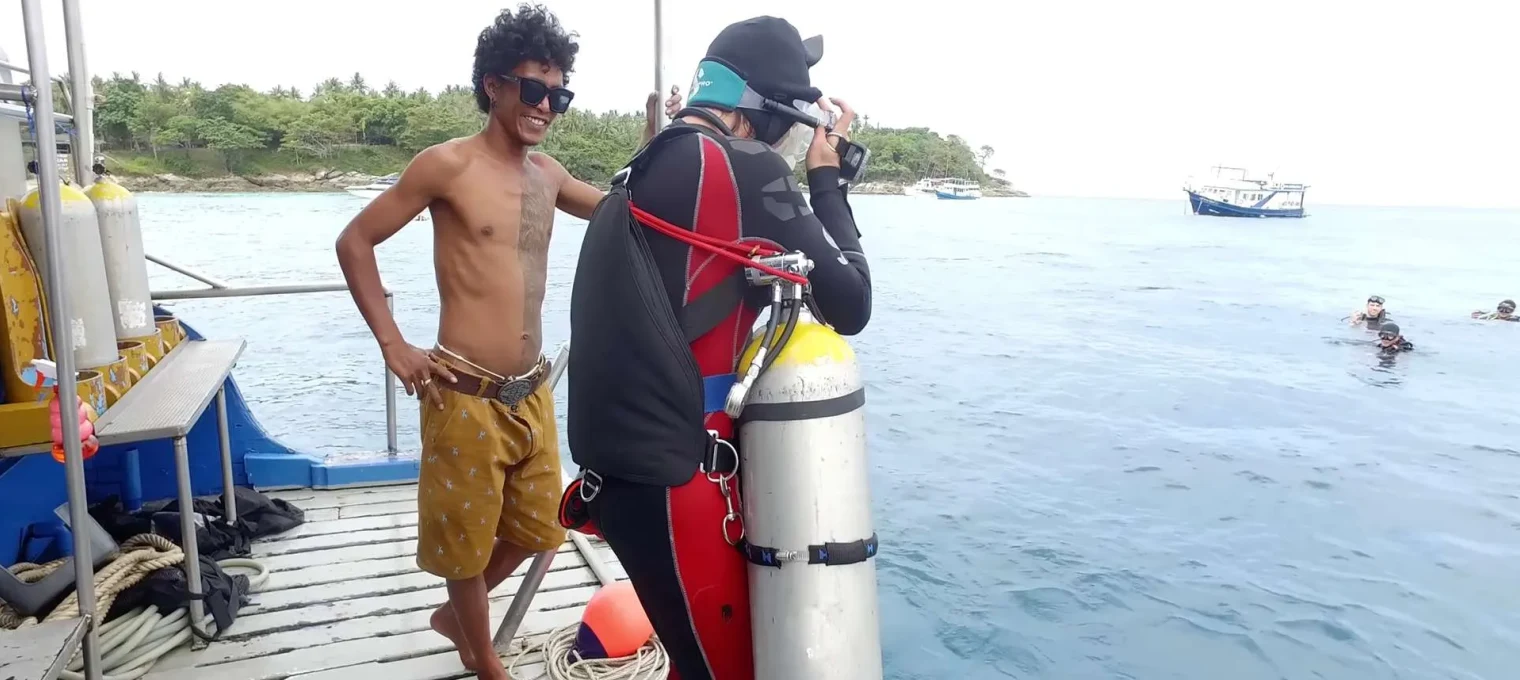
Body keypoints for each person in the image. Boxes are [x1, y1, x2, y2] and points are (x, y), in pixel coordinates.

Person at [333, 5, 678, 678]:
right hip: (462, 392)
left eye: (559, 94)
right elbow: (355, 242)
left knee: (542, 526)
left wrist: (653, 139)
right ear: (493, 85)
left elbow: (620, 211)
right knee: (463, 546)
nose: (546, 106)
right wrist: (393, 344)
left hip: (531, 393)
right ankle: (483, 657)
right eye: (533, 89)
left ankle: (456, 616)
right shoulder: (446, 167)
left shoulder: (546, 175)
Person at [562, 16, 873, 680]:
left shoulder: (647, 163)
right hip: (677, 484)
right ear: (751, 115)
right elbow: (851, 302)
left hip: (616, 478)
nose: (790, 142)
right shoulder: (744, 165)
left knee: (693, 660)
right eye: (789, 127)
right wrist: (828, 184)